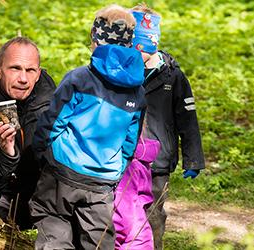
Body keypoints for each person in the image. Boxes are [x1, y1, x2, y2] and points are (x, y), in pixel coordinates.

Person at [30, 4, 146, 249]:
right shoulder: (138, 92)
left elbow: (52, 122)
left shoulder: (79, 78)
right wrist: (115, 170)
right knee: (98, 239)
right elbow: (129, 142)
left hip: (62, 169)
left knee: (52, 220)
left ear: (94, 38)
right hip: (103, 180)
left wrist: (41, 153)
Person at [131, 4, 206, 249]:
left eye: (139, 44)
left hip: (158, 160)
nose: (134, 50)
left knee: (153, 211)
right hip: (125, 156)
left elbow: (188, 119)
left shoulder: (172, 76)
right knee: (123, 208)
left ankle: (154, 245)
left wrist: (193, 159)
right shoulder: (123, 71)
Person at [0, 37, 56, 229]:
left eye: (30, 70)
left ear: (38, 74)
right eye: (15, 68)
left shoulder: (53, 103)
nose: (23, 79)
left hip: (39, 198)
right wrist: (6, 154)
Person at [113, 134, 160, 249]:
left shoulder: (129, 165)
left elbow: (123, 213)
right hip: (141, 234)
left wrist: (112, 240)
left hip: (130, 241)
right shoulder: (140, 158)